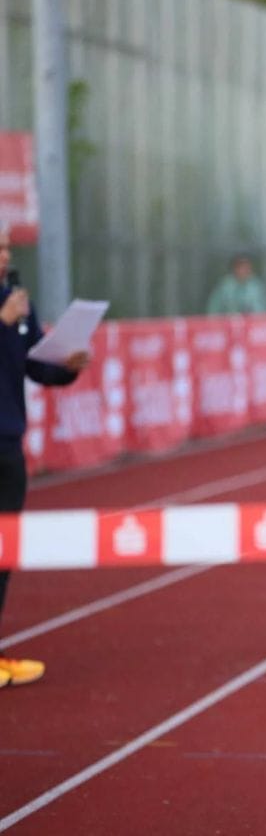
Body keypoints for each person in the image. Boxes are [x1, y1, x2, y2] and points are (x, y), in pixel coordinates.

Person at [0, 227, 91, 688]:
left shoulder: (17, 303)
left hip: (8, 444)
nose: (5, 255)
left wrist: (67, 366)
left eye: (6, 248)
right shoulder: (7, 310)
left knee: (3, 550)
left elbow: (35, 365)